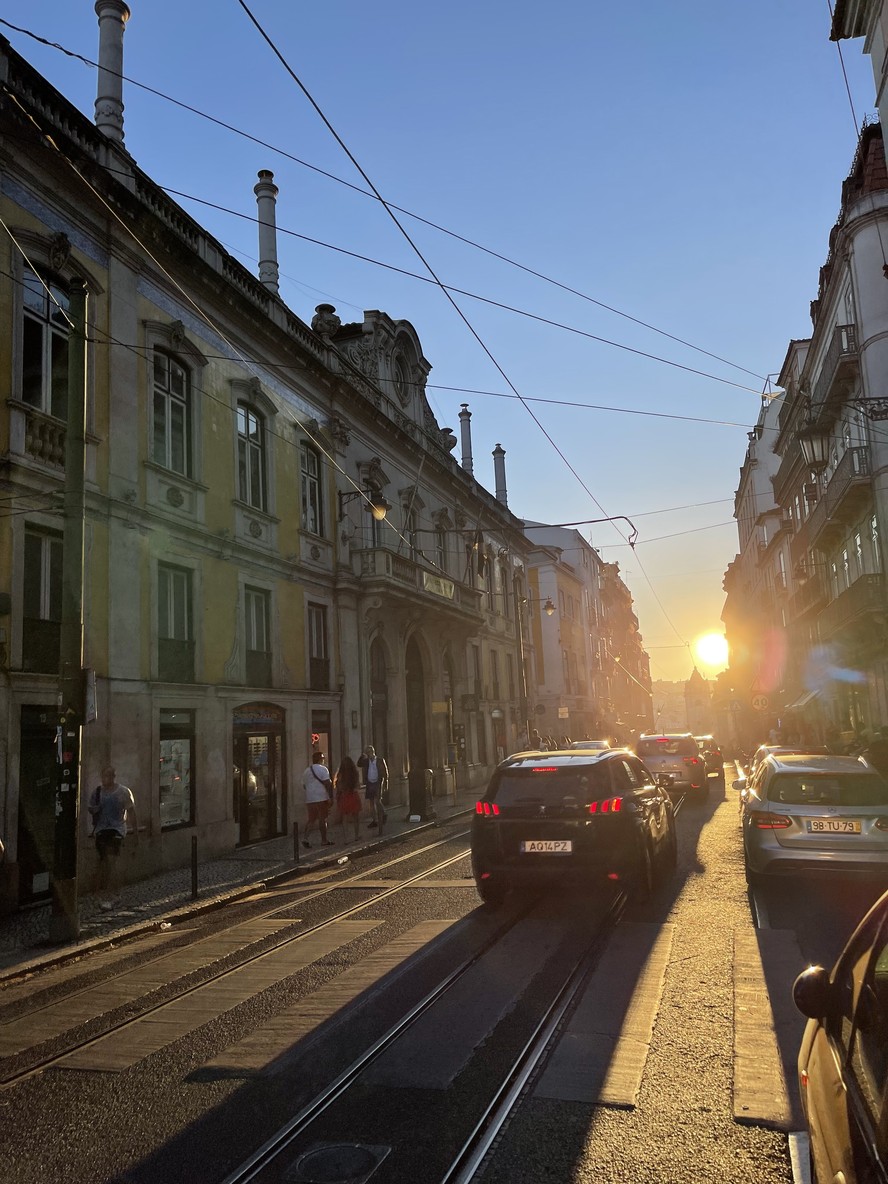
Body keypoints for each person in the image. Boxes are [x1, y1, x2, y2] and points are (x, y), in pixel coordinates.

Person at [87, 765, 138, 911]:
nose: (106, 779)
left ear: (114, 777)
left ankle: (114, 894)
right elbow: (91, 808)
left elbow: (132, 812)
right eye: (104, 776)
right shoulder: (97, 792)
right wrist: (94, 810)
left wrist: (135, 833)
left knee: (111, 860)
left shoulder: (123, 792)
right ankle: (102, 893)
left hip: (117, 830)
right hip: (101, 830)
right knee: (103, 862)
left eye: (109, 776)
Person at [301, 751, 334, 849]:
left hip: (310, 798)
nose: (324, 760)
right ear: (320, 759)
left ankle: (305, 838)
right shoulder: (323, 769)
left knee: (311, 819)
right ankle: (324, 840)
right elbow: (327, 783)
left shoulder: (306, 770)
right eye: (323, 758)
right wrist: (331, 797)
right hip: (321, 797)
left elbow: (304, 785)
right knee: (323, 819)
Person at [358, 745, 388, 831]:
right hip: (370, 783)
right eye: (367, 752)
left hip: (378, 783)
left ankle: (384, 814)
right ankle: (374, 820)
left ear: (373, 752)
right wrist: (362, 756)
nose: (368, 754)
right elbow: (359, 764)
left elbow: (385, 773)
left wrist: (386, 783)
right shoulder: (366, 761)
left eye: (369, 752)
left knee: (378, 801)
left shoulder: (379, 760)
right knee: (371, 803)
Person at [333, 755, 363, 843]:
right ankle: (356, 836)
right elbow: (358, 785)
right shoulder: (355, 773)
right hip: (353, 795)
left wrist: (341, 791)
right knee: (356, 817)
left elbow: (337, 785)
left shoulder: (340, 774)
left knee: (345, 817)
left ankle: (346, 838)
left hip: (344, 796)